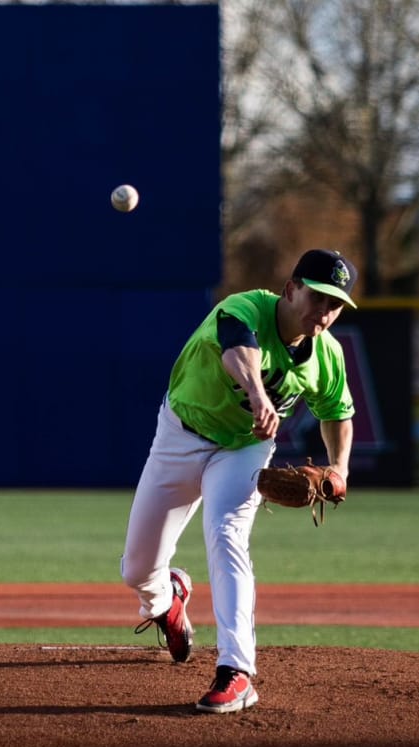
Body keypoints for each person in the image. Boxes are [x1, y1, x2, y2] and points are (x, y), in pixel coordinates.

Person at [120, 248, 356, 714]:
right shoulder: (243, 308)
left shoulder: (327, 354)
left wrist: (340, 469)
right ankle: (167, 599)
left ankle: (236, 671)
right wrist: (257, 393)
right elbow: (237, 349)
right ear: (291, 289)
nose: (325, 312)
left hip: (243, 449)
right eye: (318, 297)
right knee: (137, 569)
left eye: (335, 304)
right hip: (181, 435)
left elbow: (337, 413)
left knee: (226, 533)